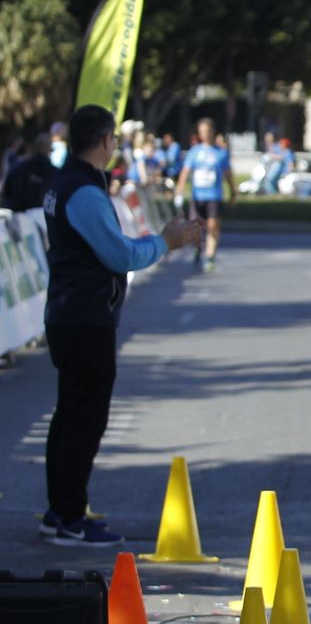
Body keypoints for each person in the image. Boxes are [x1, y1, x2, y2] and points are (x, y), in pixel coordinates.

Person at [39, 105, 201, 545]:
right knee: (84, 418)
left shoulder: (65, 182)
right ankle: (69, 515)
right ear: (107, 141)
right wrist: (165, 241)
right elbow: (119, 256)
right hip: (83, 316)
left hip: (68, 312)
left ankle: (60, 510)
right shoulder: (85, 191)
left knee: (70, 413)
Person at [175, 118, 235, 273]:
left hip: (214, 195)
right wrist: (179, 192)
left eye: (207, 131)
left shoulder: (220, 153)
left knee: (213, 226)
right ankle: (197, 247)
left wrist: (233, 191)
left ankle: (209, 256)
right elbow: (185, 172)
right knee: (196, 226)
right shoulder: (194, 152)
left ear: (212, 132)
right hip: (197, 196)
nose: (205, 134)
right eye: (202, 132)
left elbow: (228, 174)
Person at [2, 133, 57, 212]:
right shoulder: (54, 172)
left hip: (19, 215)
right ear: (49, 148)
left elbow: (7, 192)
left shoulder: (19, 168)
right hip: (42, 216)